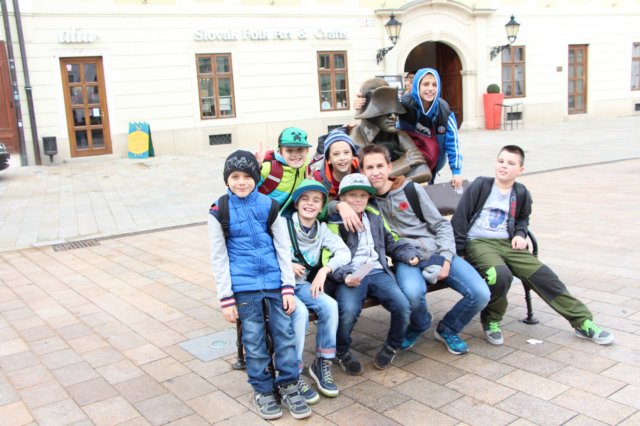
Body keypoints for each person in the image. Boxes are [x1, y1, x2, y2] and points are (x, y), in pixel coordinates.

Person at [451, 145, 615, 346]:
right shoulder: (481, 185)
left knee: (544, 276)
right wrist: (460, 251)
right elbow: (460, 218)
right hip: (479, 243)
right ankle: (492, 320)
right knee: (499, 275)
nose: (504, 166)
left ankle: (582, 321)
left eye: (510, 163)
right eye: (501, 161)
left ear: (520, 169)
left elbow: (522, 219)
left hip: (508, 244)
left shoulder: (521, 192)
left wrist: (520, 234)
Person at [208, 150, 312, 420]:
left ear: (256, 177)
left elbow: (283, 249)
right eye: (234, 177)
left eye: (247, 176)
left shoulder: (269, 206)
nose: (241, 182)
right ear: (226, 179)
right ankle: (263, 390)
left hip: (275, 284)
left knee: (284, 337)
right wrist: (226, 299)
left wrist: (287, 287)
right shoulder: (219, 210)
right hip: (244, 288)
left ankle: (288, 384)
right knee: (253, 341)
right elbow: (218, 257)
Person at [358, 144, 490, 354]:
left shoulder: (410, 190)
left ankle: (448, 329)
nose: (375, 172)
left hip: (437, 250)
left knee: (480, 293)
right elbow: (335, 205)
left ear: (389, 166)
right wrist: (341, 206)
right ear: (362, 171)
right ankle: (420, 324)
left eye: (380, 166)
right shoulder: (365, 202)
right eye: (369, 167)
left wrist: (446, 258)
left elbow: (441, 225)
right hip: (406, 259)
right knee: (412, 294)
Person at [327, 173, 416, 373]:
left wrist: (409, 254)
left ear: (369, 197)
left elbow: (392, 240)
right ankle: (341, 350)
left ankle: (392, 345)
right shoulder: (335, 222)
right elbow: (329, 256)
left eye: (363, 195)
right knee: (348, 310)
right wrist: (345, 275)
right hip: (351, 273)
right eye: (352, 195)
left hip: (375, 269)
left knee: (402, 306)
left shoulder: (374, 215)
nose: (358, 199)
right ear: (342, 198)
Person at [283, 179, 351, 400]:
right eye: (305, 199)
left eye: (316, 200)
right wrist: (287, 264)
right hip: (280, 286)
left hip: (301, 285)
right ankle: (293, 372)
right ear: (296, 203)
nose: (310, 204)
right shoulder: (283, 226)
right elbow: (267, 251)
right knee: (300, 312)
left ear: (322, 206)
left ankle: (322, 362)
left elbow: (344, 252)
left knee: (329, 305)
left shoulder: (321, 230)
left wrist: (325, 269)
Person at [350, 78, 431, 184]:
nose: (393, 116)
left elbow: (424, 172)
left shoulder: (399, 135)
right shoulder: (357, 138)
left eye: (394, 111)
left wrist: (392, 184)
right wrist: (404, 163)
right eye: (386, 111)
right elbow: (364, 180)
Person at [398, 68, 463, 188]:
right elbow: (382, 107)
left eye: (434, 85)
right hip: (406, 162)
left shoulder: (444, 112)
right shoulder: (404, 104)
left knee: (425, 192)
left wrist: (456, 171)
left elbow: (453, 143)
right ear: (417, 86)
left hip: (431, 164)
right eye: (426, 84)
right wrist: (362, 103)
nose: (430, 88)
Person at [257, 127, 312, 209]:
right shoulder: (268, 168)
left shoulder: (307, 169)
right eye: (289, 150)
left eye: (300, 149)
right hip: (262, 214)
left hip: (287, 214)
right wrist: (253, 171)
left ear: (307, 150)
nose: (295, 154)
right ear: (280, 151)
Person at [309, 128, 360, 200]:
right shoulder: (317, 178)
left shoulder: (364, 170)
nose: (342, 158)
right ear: (329, 159)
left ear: (353, 155)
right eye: (336, 154)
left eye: (346, 152)